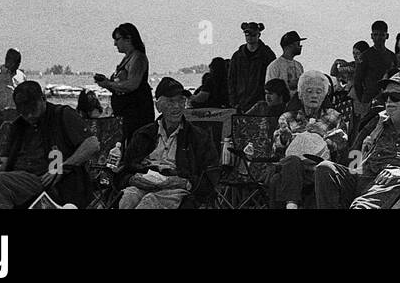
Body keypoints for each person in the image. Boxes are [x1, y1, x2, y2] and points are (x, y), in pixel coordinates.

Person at [315, 71, 400, 209]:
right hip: (363, 179)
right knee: (325, 168)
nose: (389, 101)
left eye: (396, 96)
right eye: (386, 96)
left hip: (395, 183)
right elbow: (354, 163)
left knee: (361, 205)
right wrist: (343, 148)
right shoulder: (376, 121)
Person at [0, 80, 99, 209]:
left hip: (44, 179)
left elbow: (92, 144)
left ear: (43, 99)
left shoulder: (61, 114)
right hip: (17, 177)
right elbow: (3, 165)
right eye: (24, 112)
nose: (30, 115)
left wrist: (63, 167)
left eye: (33, 109)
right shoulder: (18, 126)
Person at [116, 78, 218, 209]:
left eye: (181, 101)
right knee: (128, 198)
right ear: (158, 106)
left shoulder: (198, 137)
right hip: (144, 183)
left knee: (150, 202)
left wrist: (185, 182)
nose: (177, 106)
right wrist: (131, 179)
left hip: (176, 188)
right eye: (170, 101)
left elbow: (211, 177)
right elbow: (123, 170)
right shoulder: (143, 134)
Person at [267, 70, 350, 209]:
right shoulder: (287, 117)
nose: (314, 95)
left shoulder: (335, 117)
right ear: (300, 94)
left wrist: (322, 136)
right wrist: (284, 138)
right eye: (309, 91)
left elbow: (341, 146)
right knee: (290, 163)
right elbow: (276, 150)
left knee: (281, 180)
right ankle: (291, 204)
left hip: (319, 168)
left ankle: (291, 203)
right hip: (292, 168)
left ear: (324, 95)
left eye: (318, 92)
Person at [94, 22, 153, 142]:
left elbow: (132, 84)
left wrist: (108, 84)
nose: (115, 44)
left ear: (128, 38)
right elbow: (121, 86)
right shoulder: (128, 58)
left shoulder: (138, 57)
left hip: (136, 113)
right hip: (126, 113)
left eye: (117, 39)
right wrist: (106, 83)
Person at [228, 22, 276, 114]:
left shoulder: (267, 55)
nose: (250, 36)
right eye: (247, 34)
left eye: (253, 34)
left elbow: (272, 81)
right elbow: (231, 80)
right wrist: (234, 102)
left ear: (259, 35)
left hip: (261, 103)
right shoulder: (237, 56)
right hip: (241, 104)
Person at [353, 21, 396, 117]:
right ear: (371, 36)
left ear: (387, 36)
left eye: (382, 35)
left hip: (388, 100)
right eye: (375, 35)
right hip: (369, 100)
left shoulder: (392, 56)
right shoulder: (365, 56)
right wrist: (363, 101)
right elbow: (357, 81)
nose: (378, 38)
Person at [265, 31, 306, 97]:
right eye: (298, 44)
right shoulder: (274, 66)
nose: (300, 47)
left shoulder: (299, 65)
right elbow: (270, 90)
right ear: (290, 46)